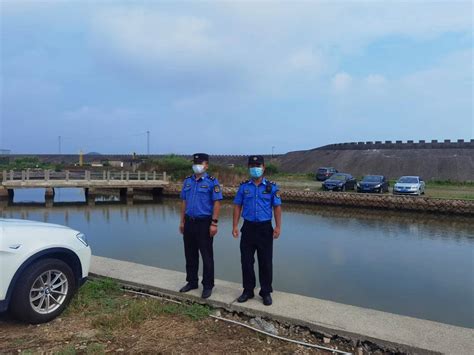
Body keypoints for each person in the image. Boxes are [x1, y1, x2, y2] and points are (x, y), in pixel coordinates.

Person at [232, 155, 282, 306]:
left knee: (265, 262)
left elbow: (277, 207)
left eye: (258, 165)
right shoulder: (244, 187)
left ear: (263, 167)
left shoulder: (272, 187)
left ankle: (265, 292)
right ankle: (248, 290)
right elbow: (237, 206)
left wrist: (278, 226)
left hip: (265, 228)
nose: (255, 168)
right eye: (252, 165)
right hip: (248, 228)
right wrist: (234, 226)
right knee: (246, 261)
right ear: (248, 168)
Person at [179, 153, 223, 299]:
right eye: (195, 162)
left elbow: (217, 203)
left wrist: (214, 223)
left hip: (205, 223)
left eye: (201, 163)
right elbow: (184, 202)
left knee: (206, 256)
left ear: (206, 165)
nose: (197, 165)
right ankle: (192, 282)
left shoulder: (212, 182)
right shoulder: (188, 181)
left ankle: (208, 285)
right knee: (190, 255)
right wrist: (182, 221)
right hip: (189, 222)